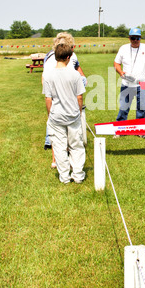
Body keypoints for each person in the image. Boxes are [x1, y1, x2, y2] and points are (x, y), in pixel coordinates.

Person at [42, 43, 86, 184]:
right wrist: (79, 112)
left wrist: (50, 115)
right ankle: (78, 175)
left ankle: (65, 177)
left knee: (59, 147)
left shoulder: (48, 75)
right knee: (76, 145)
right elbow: (79, 97)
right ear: (68, 57)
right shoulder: (75, 75)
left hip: (56, 116)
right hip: (72, 115)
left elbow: (48, 99)